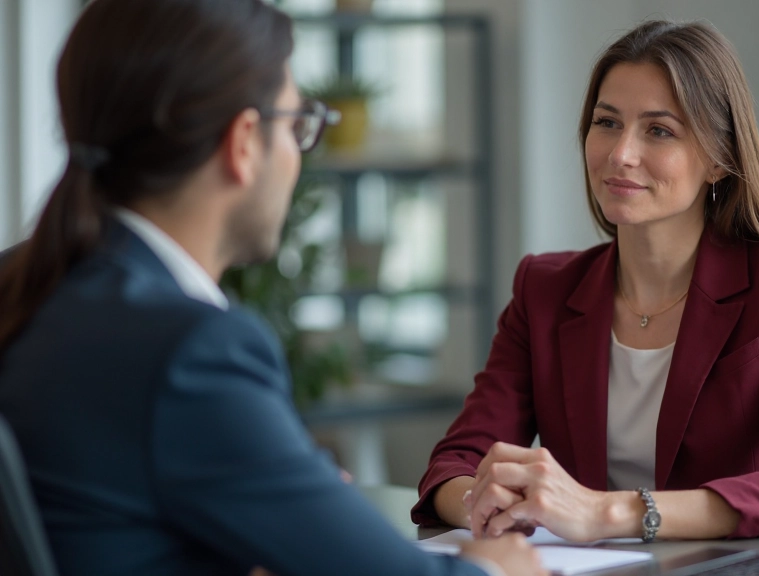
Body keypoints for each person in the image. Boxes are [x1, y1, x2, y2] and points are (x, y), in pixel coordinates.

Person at [0, 1, 546, 575]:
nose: (297, 155)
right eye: (296, 126)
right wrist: (498, 567)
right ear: (243, 143)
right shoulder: (190, 351)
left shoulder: (30, 285)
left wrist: (279, 500)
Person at [413, 20, 759, 542]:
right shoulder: (544, 289)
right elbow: (454, 464)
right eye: (607, 123)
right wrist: (487, 501)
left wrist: (611, 513)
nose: (621, 153)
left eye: (659, 130)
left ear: (719, 159)